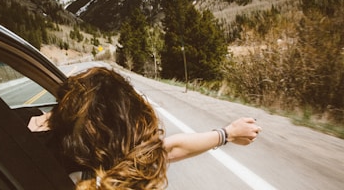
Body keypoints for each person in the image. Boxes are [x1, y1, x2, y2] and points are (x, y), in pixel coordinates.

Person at [27, 67, 262, 189]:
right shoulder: (95, 163)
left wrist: (227, 134)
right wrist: (227, 134)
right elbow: (165, 150)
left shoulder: (16, 133)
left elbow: (165, 149)